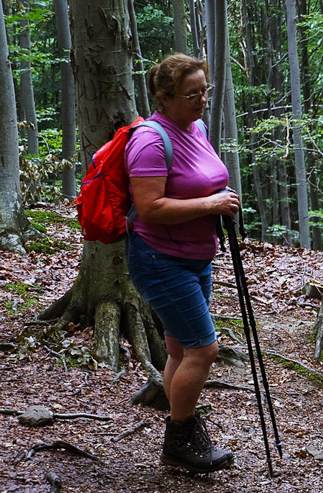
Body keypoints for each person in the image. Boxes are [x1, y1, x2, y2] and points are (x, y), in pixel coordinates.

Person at [125, 54, 240, 474]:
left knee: (179, 348)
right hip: (159, 259)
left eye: (205, 91)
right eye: (192, 94)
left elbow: (202, 177)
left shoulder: (198, 128)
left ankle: (179, 440)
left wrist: (215, 204)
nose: (202, 100)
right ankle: (181, 439)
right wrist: (210, 203)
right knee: (203, 350)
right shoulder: (150, 141)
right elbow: (149, 207)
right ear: (164, 97)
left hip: (196, 257)